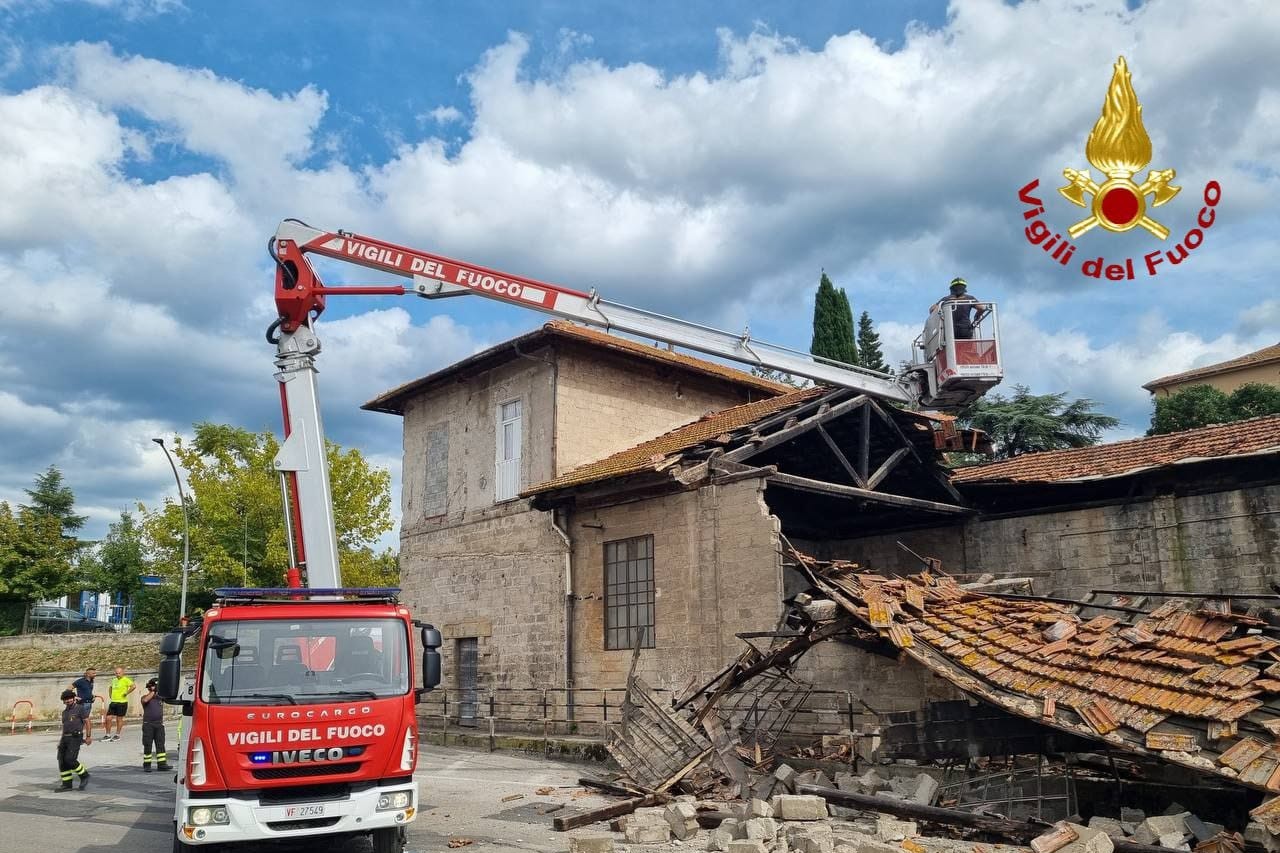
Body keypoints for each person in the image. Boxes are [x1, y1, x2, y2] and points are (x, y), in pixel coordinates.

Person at [55, 689, 90, 791]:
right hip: (65, 737)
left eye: (70, 699)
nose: (68, 701)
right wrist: (60, 741)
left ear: (74, 699)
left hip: (75, 737)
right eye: (66, 700)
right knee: (61, 760)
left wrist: (88, 736)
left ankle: (84, 775)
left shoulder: (80, 709)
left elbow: (87, 722)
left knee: (70, 759)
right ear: (63, 701)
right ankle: (67, 784)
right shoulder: (64, 712)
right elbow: (64, 727)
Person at [139, 678, 171, 772]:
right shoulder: (145, 696)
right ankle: (147, 765)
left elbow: (170, 698)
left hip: (159, 725)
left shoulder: (160, 697)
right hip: (148, 724)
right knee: (147, 744)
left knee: (160, 744)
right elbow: (145, 700)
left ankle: (162, 764)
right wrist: (153, 691)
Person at [103, 666, 136, 741]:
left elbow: (133, 686)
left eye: (119, 673)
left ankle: (117, 735)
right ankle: (107, 735)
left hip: (122, 702)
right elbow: (110, 687)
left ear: (123, 673)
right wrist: (110, 695)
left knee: (119, 719)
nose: (117, 674)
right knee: (108, 718)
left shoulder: (126, 680)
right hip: (113, 702)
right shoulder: (114, 680)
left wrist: (126, 693)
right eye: (116, 673)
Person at [69, 667, 96, 745]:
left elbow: (88, 691)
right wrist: (74, 697)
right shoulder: (80, 681)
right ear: (88, 674)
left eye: (95, 673)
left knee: (82, 722)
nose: (95, 675)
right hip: (81, 704)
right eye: (93, 673)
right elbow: (69, 688)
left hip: (88, 704)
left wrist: (92, 696)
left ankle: (79, 738)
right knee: (79, 721)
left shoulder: (91, 681)